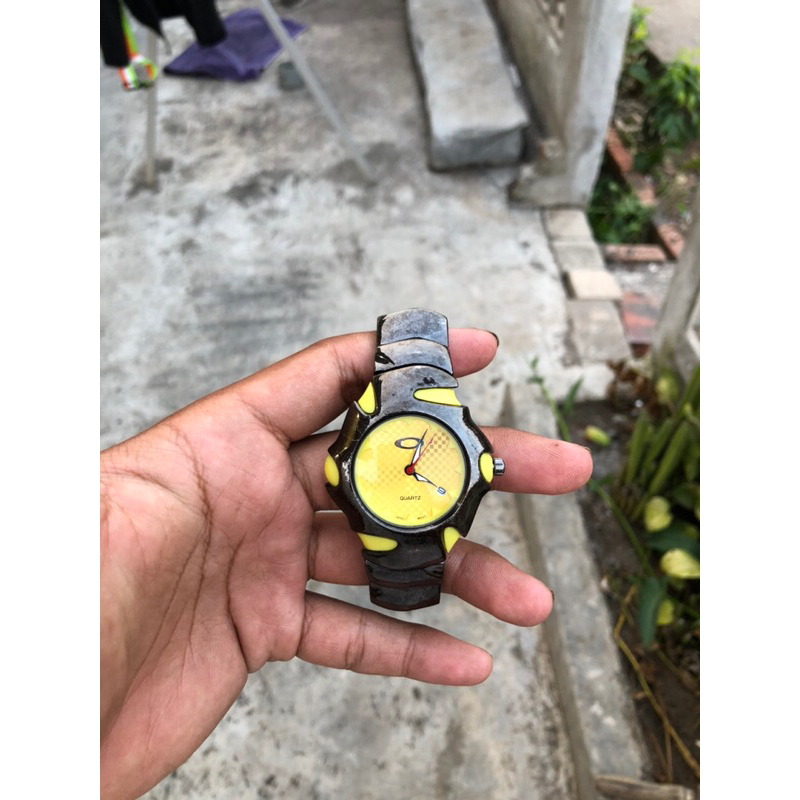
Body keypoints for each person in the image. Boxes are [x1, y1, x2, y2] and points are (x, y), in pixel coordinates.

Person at [100, 327, 592, 799]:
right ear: (340, 470)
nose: (411, 470)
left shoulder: (444, 459)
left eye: (417, 466)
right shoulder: (429, 457)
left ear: (484, 467)